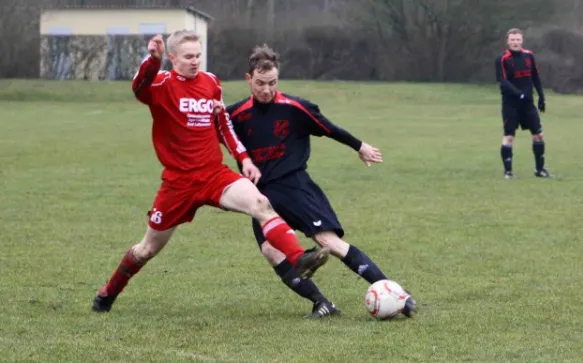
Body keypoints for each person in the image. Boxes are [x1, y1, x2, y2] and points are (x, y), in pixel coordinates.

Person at [92, 31, 330, 313]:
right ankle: (107, 293)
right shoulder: (161, 83)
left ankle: (299, 258)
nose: (195, 62)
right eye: (189, 56)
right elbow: (138, 87)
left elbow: (223, 125)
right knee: (147, 249)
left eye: (198, 56)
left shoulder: (211, 83)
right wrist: (151, 61)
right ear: (172, 58)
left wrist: (244, 159)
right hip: (178, 183)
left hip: (213, 174)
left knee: (261, 204)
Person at [224, 44, 417, 318]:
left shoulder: (295, 108)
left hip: (295, 188)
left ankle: (398, 295)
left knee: (330, 243)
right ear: (248, 79)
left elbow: (329, 128)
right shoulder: (235, 115)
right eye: (259, 83)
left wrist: (359, 146)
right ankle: (321, 303)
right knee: (271, 251)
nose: (266, 90)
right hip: (260, 196)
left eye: (272, 83)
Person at [495, 28, 551, 179]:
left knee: (538, 135)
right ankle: (508, 172)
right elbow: (503, 81)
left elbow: (535, 76)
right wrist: (518, 94)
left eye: (518, 39)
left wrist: (541, 96)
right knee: (509, 137)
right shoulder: (502, 59)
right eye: (513, 40)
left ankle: (540, 170)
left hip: (528, 104)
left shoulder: (529, 55)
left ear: (522, 40)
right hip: (511, 104)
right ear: (508, 41)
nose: (515, 42)